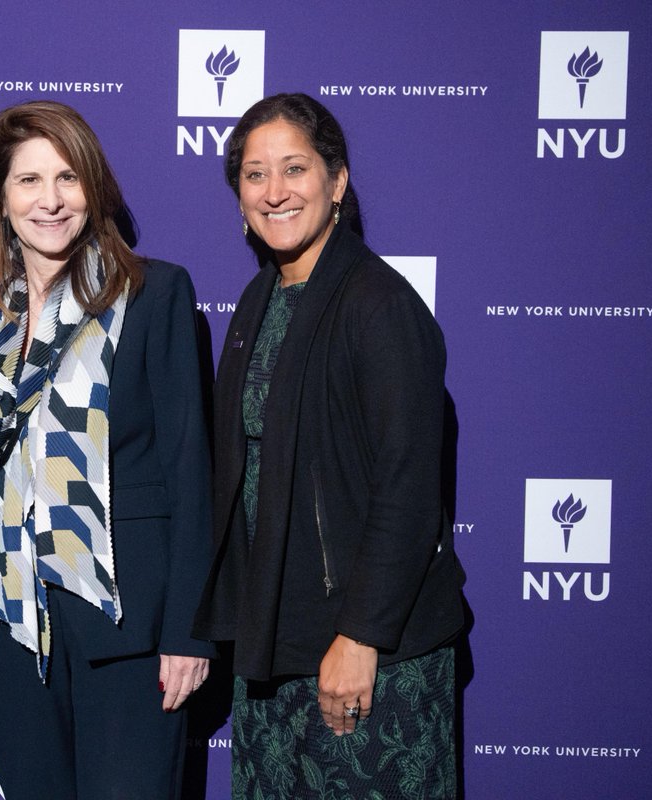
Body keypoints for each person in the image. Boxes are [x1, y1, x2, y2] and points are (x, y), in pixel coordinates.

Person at [192, 93, 465, 799]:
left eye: (295, 169)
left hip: (364, 653)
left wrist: (361, 636)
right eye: (255, 175)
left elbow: (408, 487)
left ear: (336, 181)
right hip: (273, 641)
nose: (275, 192)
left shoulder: (379, 303)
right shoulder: (257, 303)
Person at [0, 100, 216, 800]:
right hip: (10, 615)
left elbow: (191, 470)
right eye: (29, 181)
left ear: (92, 188)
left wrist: (189, 633)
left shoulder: (152, 292)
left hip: (125, 618)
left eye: (67, 178)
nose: (51, 200)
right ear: (1, 199)